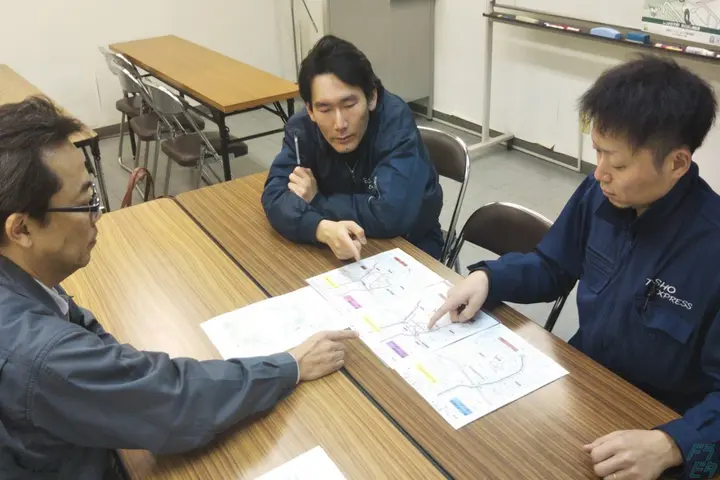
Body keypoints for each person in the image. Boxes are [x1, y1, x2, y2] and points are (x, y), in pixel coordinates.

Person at [0, 96, 358, 479]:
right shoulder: (40, 355)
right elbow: (173, 405)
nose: (98, 214)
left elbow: (75, 324)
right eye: (86, 201)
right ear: (21, 229)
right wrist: (290, 365)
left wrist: (115, 373)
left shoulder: (22, 282)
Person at [429, 56, 720, 480]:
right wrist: (489, 277)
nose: (599, 173)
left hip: (659, 427)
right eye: (597, 152)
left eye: (618, 164)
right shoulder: (601, 193)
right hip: (583, 387)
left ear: (677, 163)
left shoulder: (711, 247)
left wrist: (674, 445)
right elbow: (553, 266)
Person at [262, 35, 444, 261]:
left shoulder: (395, 124)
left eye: (349, 105)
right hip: (338, 240)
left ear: (372, 97)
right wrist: (320, 228)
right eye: (325, 110)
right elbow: (275, 195)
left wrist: (317, 201)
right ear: (310, 110)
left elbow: (391, 214)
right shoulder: (302, 128)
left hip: (409, 244)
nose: (340, 124)